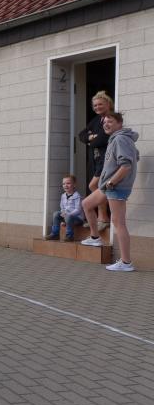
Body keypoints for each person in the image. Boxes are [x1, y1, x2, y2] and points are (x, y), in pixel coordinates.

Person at [80, 111, 139, 271]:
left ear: (119, 124)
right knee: (86, 204)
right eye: (104, 122)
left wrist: (112, 181)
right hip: (108, 186)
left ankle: (126, 262)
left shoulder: (120, 139)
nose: (106, 124)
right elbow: (135, 157)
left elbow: (126, 165)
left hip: (116, 187)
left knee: (119, 223)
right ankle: (95, 237)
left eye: (110, 121)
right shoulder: (117, 139)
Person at [78, 91, 112, 231]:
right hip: (97, 160)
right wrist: (91, 137)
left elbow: (102, 139)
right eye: (95, 105)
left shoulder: (110, 118)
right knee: (96, 186)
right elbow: (81, 135)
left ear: (108, 104)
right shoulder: (96, 120)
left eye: (100, 104)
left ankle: (103, 218)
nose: (97, 107)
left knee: (94, 186)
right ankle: (101, 218)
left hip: (107, 159)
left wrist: (92, 139)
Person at [45, 175, 83, 242]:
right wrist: (63, 213)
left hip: (77, 218)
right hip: (66, 217)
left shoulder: (77, 196)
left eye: (68, 183)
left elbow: (78, 210)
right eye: (64, 184)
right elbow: (62, 207)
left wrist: (68, 215)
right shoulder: (63, 196)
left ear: (74, 185)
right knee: (56, 214)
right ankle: (55, 234)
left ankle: (69, 236)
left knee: (69, 217)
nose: (65, 185)